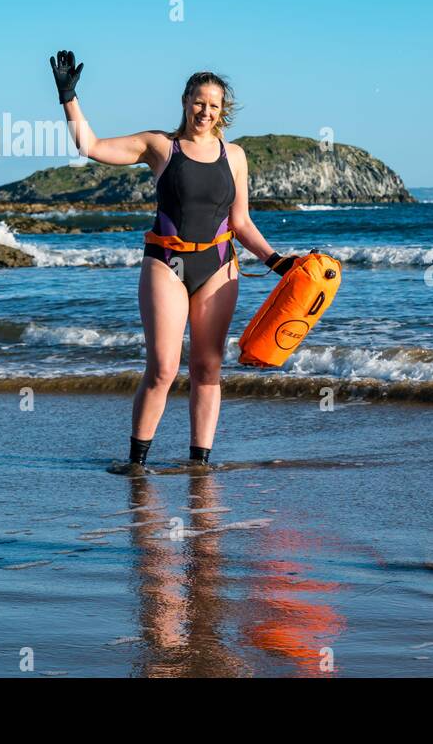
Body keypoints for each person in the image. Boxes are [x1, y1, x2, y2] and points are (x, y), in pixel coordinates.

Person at [48, 52, 302, 473]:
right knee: (164, 368)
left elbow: (240, 221)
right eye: (199, 101)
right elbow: (89, 146)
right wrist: (68, 97)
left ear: (223, 111)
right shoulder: (160, 146)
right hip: (166, 263)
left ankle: (200, 464)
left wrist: (276, 260)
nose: (205, 111)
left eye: (214, 105)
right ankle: (136, 464)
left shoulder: (234, 156)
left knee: (208, 367)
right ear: (185, 101)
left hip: (219, 266)